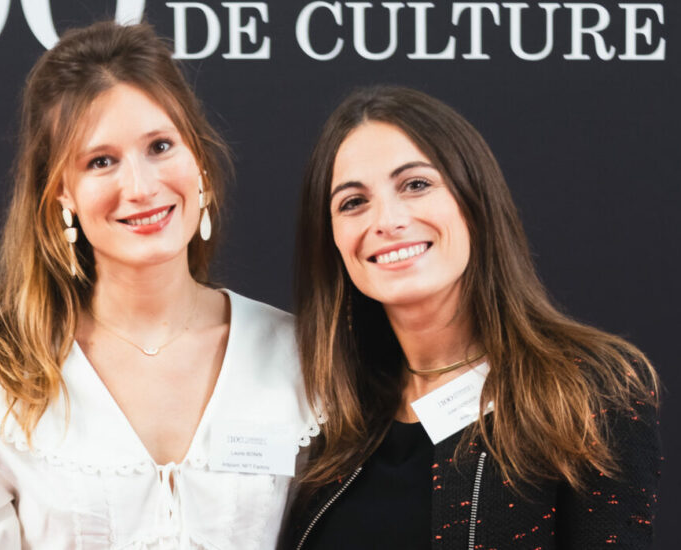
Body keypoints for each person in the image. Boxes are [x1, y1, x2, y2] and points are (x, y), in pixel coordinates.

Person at [0, 21, 318, 550]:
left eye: (160, 146)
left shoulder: (300, 358)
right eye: (101, 161)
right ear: (62, 192)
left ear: (198, 160)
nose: (140, 187)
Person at [281, 86, 660, 549]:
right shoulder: (329, 417)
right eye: (353, 202)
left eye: (415, 185)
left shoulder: (586, 391)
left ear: (474, 198)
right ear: (332, 239)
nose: (387, 220)